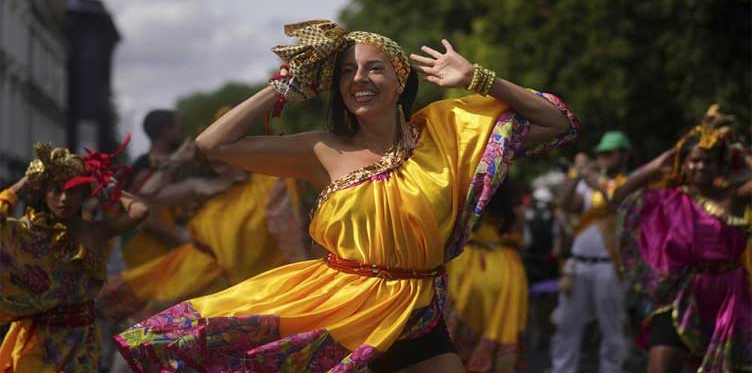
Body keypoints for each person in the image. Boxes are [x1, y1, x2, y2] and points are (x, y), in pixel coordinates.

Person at [114, 19, 579, 372]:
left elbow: (558, 122)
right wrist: (280, 88)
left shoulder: (447, 134)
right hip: (338, 316)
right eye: (346, 71)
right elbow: (212, 145)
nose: (359, 78)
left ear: (400, 82)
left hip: (418, 313)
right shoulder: (321, 149)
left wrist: (478, 78)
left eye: (374, 68)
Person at [614, 105, 751, 373]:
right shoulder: (668, 198)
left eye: (708, 160)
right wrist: (656, 166)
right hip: (682, 295)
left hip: (729, 297)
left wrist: (739, 157)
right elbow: (618, 198)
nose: (700, 166)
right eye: (694, 160)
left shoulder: (731, 197)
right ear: (684, 163)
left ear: (718, 164)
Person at [99, 157, 309, 322]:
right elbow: (148, 193)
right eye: (213, 151)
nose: (217, 156)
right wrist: (179, 159)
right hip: (196, 277)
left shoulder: (268, 184)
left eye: (225, 148)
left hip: (249, 288)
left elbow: (289, 232)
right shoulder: (204, 186)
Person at [0, 141, 149, 372]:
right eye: (56, 190)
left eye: (72, 191)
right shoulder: (26, 231)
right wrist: (22, 184)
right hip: (39, 344)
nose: (63, 198)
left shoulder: (92, 231)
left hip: (82, 343)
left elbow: (140, 211)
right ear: (43, 191)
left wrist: (109, 186)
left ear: (83, 194)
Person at [551, 130, 632, 373]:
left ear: (625, 155)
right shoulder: (587, 186)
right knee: (567, 326)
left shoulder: (627, 184)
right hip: (577, 266)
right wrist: (575, 175)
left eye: (609, 153)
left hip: (609, 266)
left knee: (612, 328)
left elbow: (613, 196)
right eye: (601, 153)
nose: (603, 157)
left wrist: (587, 172)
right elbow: (565, 203)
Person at [445, 180, 528, 373]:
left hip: (465, 264)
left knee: (452, 323)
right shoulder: (512, 203)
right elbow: (519, 235)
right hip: (504, 268)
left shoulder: (464, 190)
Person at [121, 109, 188, 268]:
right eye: (179, 128)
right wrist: (184, 240)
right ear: (165, 131)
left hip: (162, 253)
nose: (183, 133)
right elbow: (145, 218)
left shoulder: (170, 165)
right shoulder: (145, 168)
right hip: (147, 256)